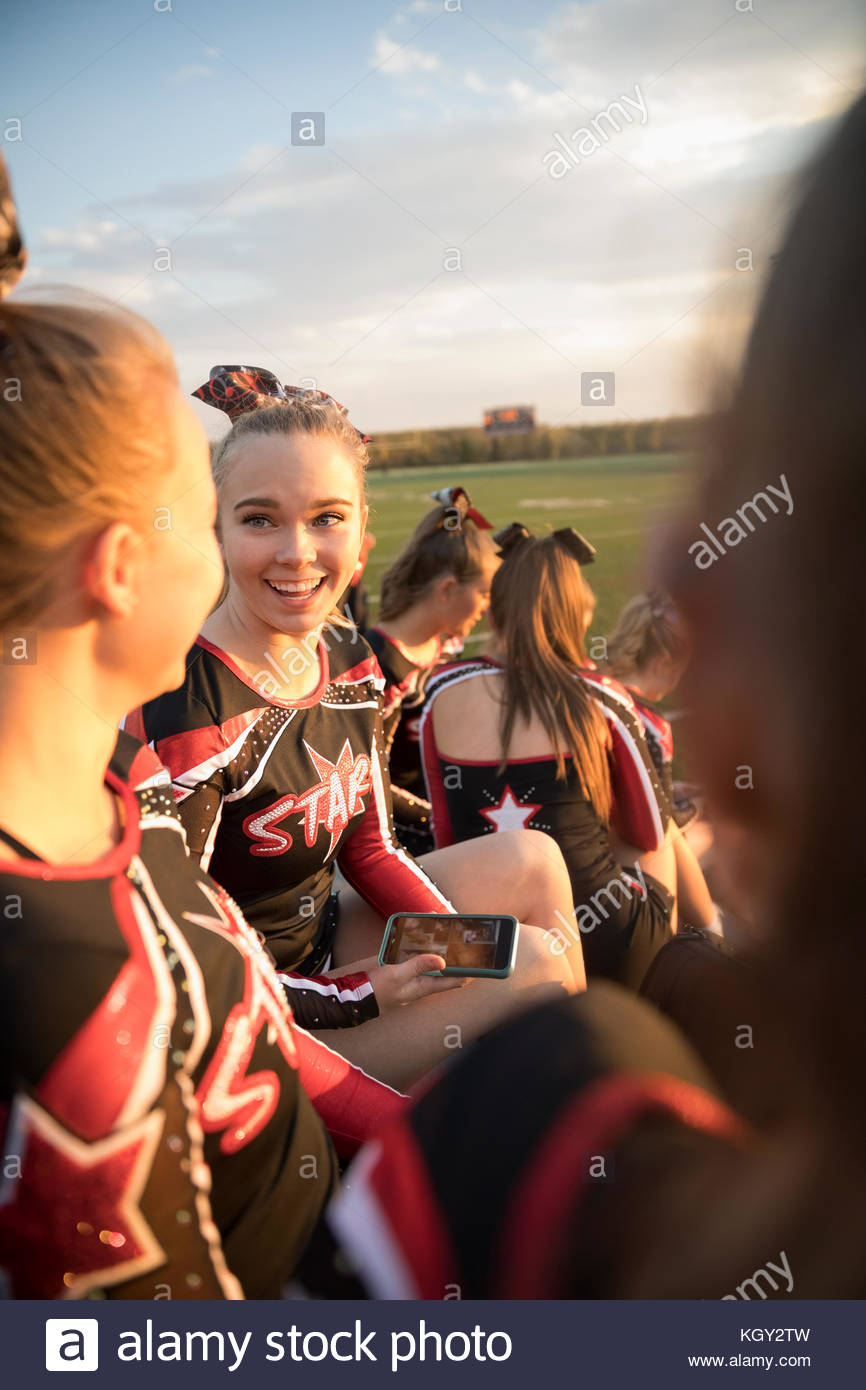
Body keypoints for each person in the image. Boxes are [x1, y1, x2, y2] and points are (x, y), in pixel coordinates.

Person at [328, 90, 866, 1298]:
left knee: (552, 988)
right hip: (513, 926)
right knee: (575, 953)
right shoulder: (536, 699)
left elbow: (403, 834)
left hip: (443, 949)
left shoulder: (415, 691)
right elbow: (651, 852)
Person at [0, 174, 404, 1298]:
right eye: (216, 504)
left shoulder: (106, 805)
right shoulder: (66, 982)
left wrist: (382, 1024)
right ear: (122, 568)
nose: (267, 557)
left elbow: (229, 998)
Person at [129, 368, 582, 1090]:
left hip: (328, 945)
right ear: (215, 528)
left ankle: (569, 1107)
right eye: (259, 519)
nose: (297, 552)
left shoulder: (348, 657)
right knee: (532, 966)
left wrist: (453, 951)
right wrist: (360, 995)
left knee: (532, 860)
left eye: (326, 518)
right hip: (261, 1018)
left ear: (363, 534)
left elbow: (369, 849)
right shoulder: (186, 713)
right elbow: (186, 961)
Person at [420, 524, 678, 989]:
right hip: (604, 936)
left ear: (497, 610)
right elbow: (651, 832)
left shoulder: (440, 691)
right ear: (575, 613)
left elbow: (445, 835)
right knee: (669, 831)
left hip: (492, 943)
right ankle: (685, 962)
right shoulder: (602, 696)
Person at [366, 485, 500, 855]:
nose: (488, 608)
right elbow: (369, 783)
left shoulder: (445, 645)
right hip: (400, 844)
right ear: (447, 590)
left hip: (446, 824)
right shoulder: (378, 667)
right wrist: (442, 818)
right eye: (484, 593)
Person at [603, 590, 716, 930]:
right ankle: (709, 931)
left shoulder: (595, 688)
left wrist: (670, 788)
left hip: (587, 845)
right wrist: (694, 804)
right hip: (627, 859)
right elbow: (657, 822)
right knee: (707, 831)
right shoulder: (648, 722)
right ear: (663, 663)